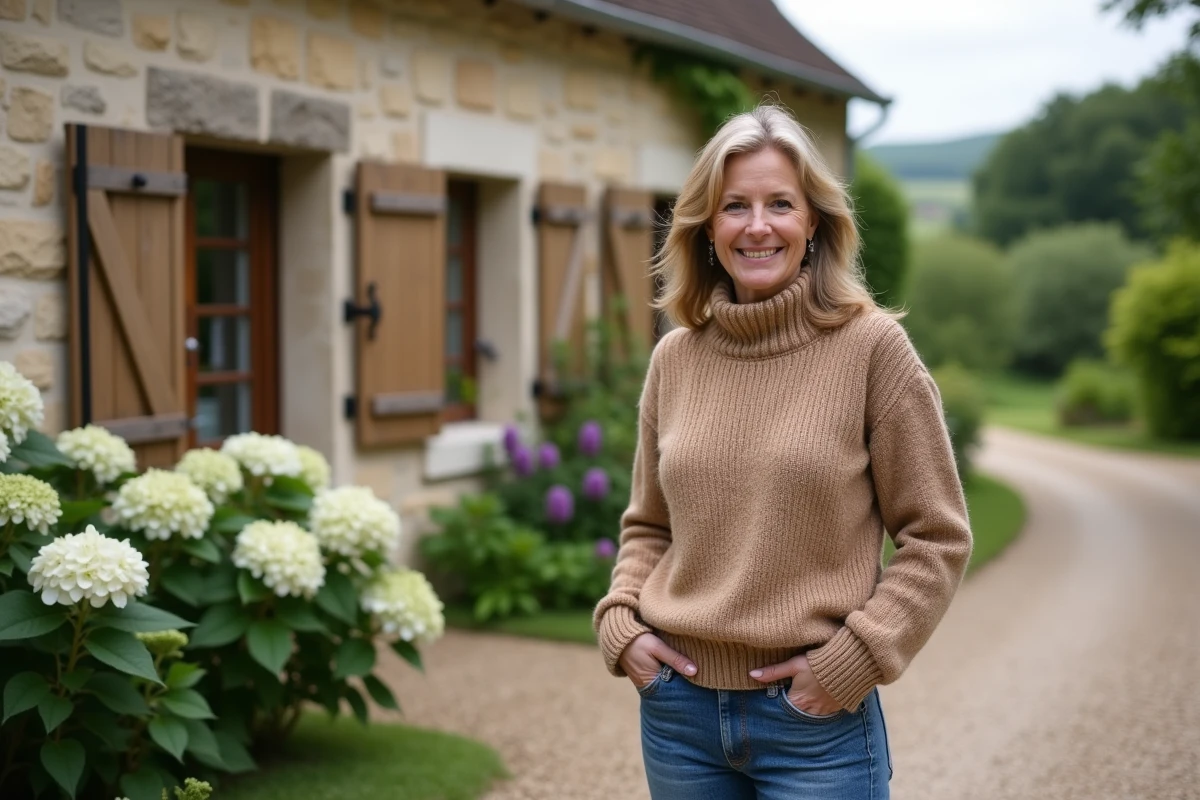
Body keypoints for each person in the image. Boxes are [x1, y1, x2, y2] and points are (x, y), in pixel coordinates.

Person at [592, 104, 973, 800]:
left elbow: (937, 537)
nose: (757, 224)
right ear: (708, 228)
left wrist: (852, 660)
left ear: (815, 224)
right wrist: (622, 624)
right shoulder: (674, 358)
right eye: (734, 205)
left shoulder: (872, 351)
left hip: (817, 731)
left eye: (779, 204)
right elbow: (649, 526)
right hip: (679, 718)